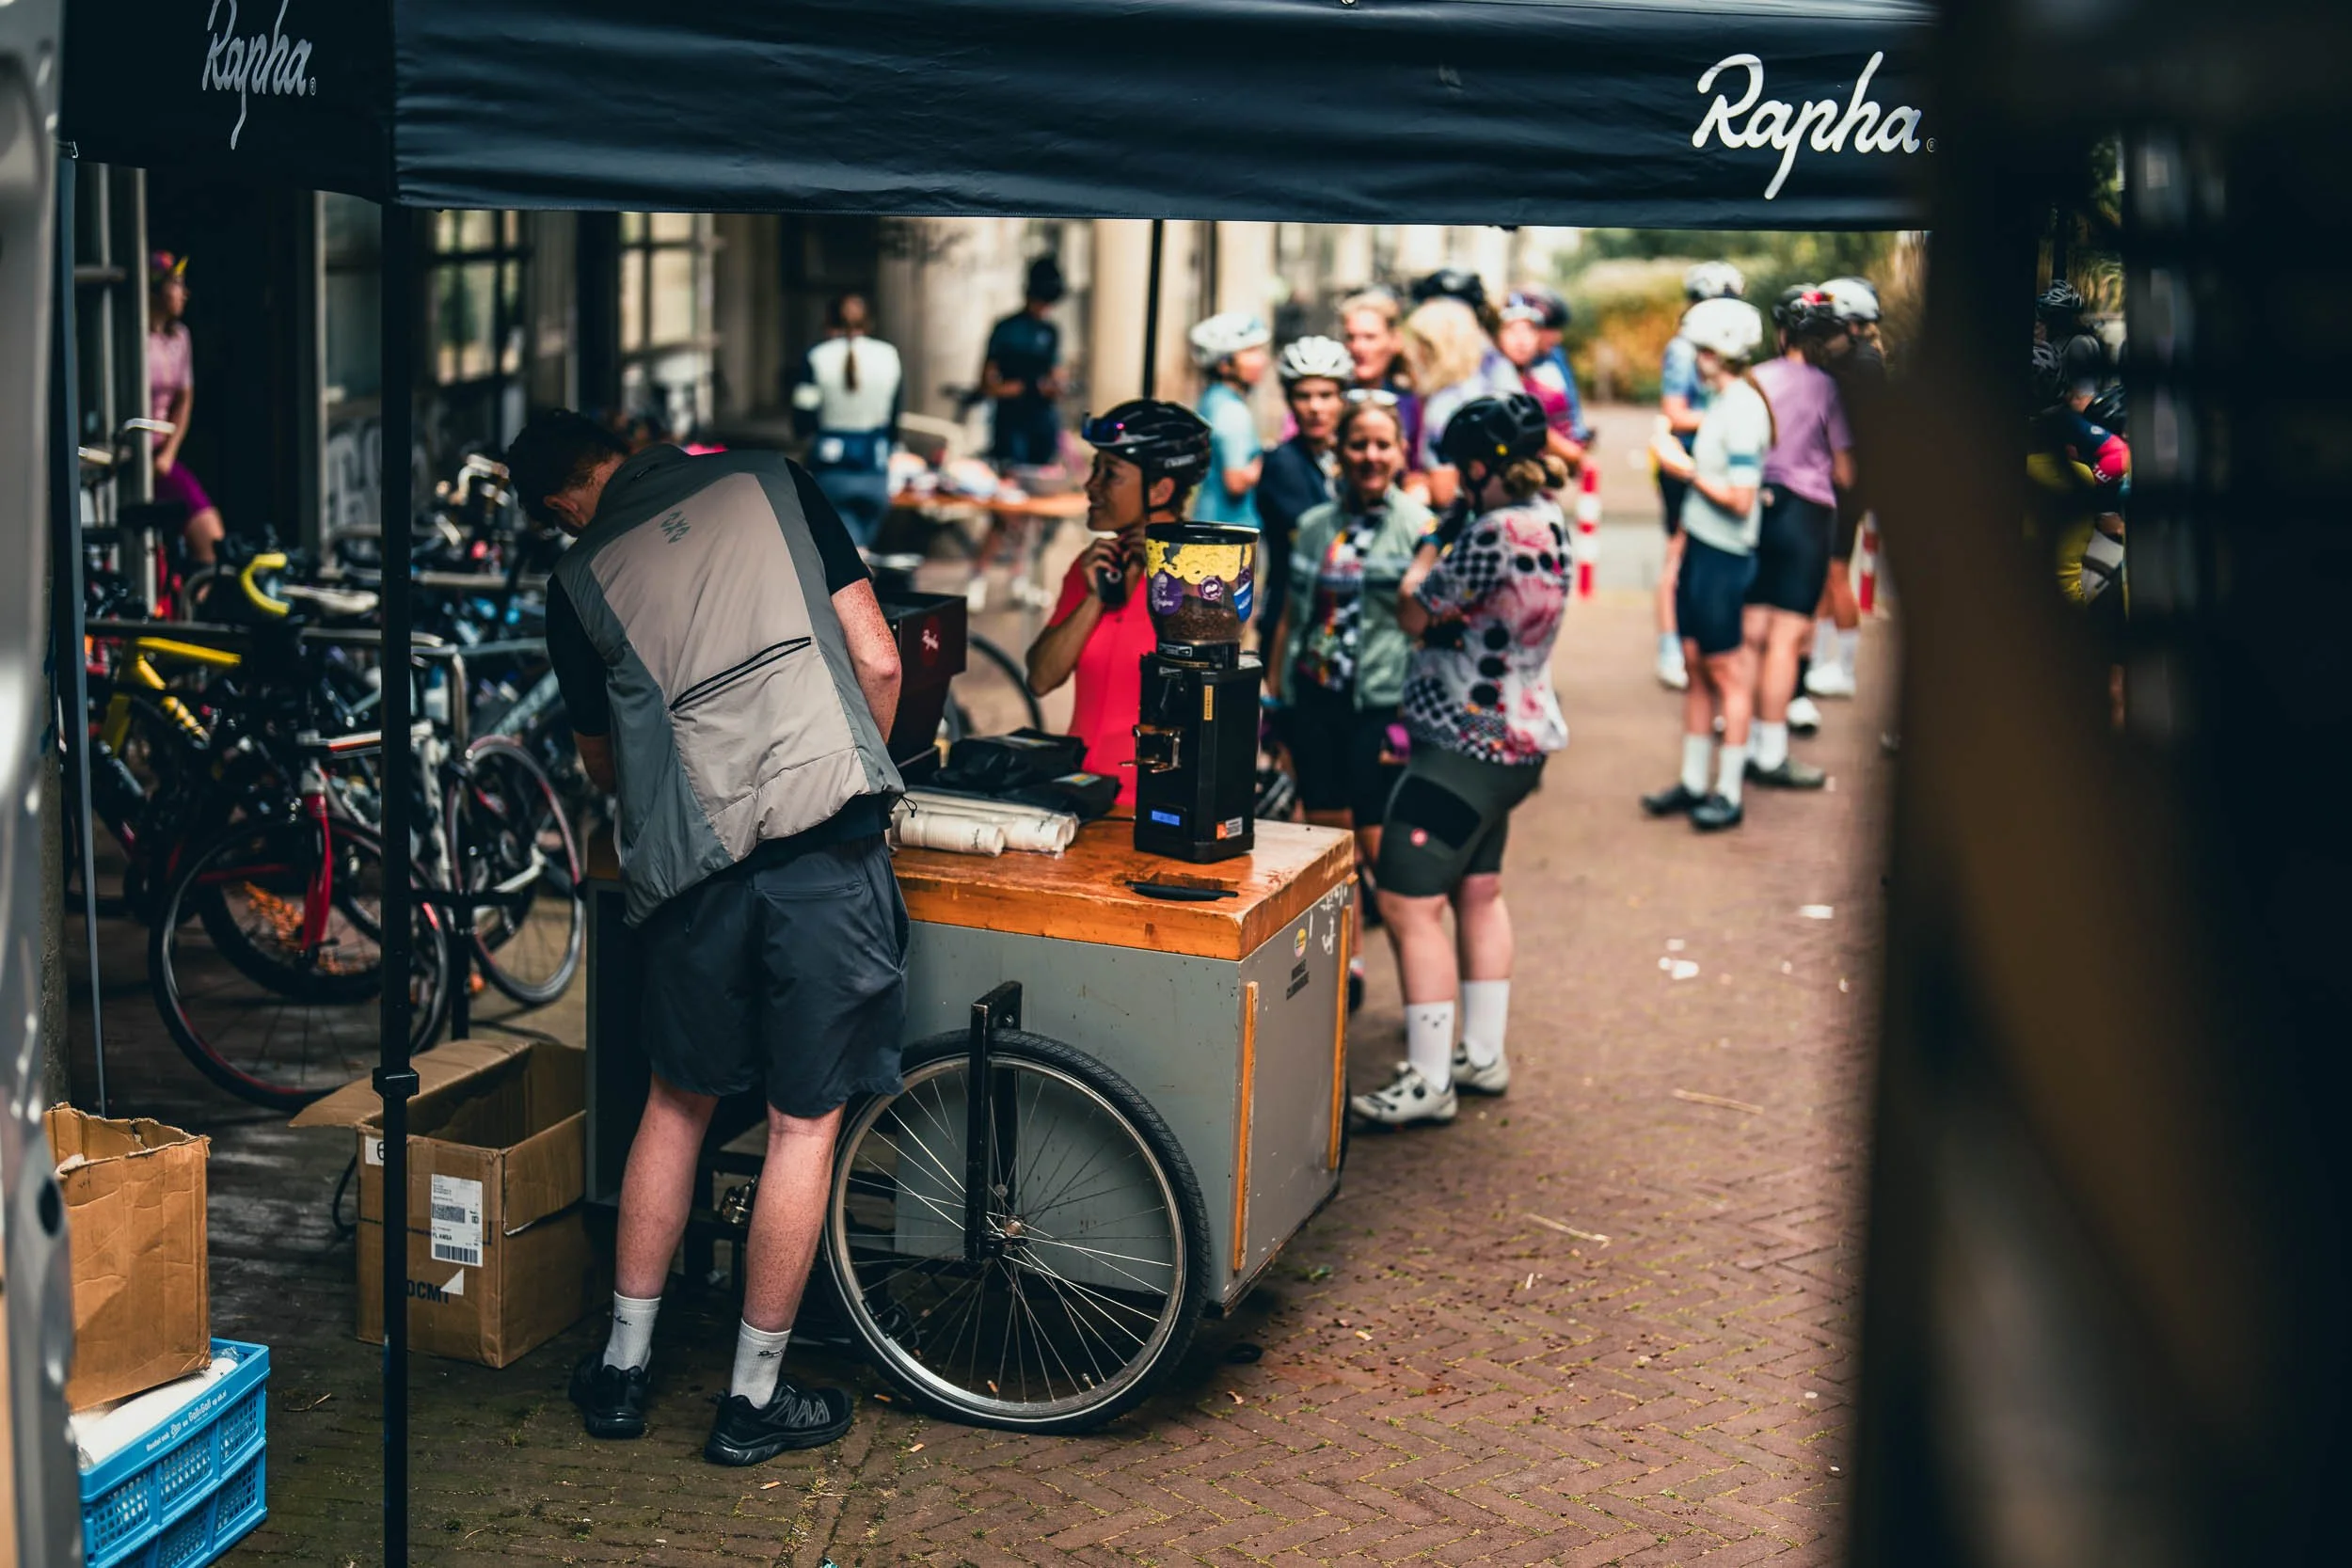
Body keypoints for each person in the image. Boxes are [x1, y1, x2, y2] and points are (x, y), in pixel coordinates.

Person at [509, 410, 908, 1465]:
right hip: (825, 848)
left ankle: (622, 1373)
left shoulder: (578, 577)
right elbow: (876, 657)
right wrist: (852, 769)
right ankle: (750, 1399)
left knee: (676, 1104)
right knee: (802, 1123)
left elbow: (606, 766)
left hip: (690, 875)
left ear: (562, 504)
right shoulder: (770, 482)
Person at [1354, 394, 1572, 1128]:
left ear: (1481, 467)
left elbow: (1413, 611)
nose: (1451, 480)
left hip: (1461, 749)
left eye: (1458, 468)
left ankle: (1428, 1075)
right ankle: (1481, 1052)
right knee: (1479, 888)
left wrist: (1428, 550)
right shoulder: (1551, 523)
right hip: (1517, 741)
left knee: (1408, 901)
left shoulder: (1485, 534)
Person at [1269, 398, 1433, 1004]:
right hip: (1316, 703)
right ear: (1339, 451)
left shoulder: (1421, 526)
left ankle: (1421, 972)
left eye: (1381, 444)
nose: (1369, 456)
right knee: (1331, 843)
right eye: (1358, 444)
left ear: (1400, 452)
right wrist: (1280, 701)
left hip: (1382, 708)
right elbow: (1290, 615)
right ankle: (1351, 967)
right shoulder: (1313, 524)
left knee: (1380, 845)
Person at [1025, 401, 1213, 804]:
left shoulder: (1202, 575)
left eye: (1110, 475)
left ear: (1161, 489)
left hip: (1162, 805)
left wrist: (1165, 578)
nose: (1091, 485)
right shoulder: (1093, 567)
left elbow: (1210, 699)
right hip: (1080, 799)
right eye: (1095, 469)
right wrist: (1094, 598)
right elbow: (1041, 679)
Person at [1641, 296, 1773, 833]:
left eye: (1701, 348)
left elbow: (1741, 498)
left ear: (1721, 350)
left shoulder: (1742, 408)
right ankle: (1696, 782)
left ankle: (1728, 791)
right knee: (1697, 665)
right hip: (1702, 550)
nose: (1695, 357)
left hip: (1724, 555)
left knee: (1726, 672)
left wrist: (1685, 468)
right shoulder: (1726, 400)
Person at [1741, 288, 1853, 790]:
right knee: (1786, 641)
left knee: (1750, 636)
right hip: (1806, 517)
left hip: (1757, 511)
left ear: (1782, 331)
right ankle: (1770, 754)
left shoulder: (1754, 380)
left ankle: (1736, 745)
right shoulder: (1829, 389)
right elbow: (1847, 471)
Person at [1654, 261, 1748, 690]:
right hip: (1685, 465)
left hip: (1711, 464)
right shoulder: (1685, 347)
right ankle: (1670, 648)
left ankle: (1691, 645)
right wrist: (1726, 416)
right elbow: (1674, 412)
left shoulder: (1723, 345)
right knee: (1678, 555)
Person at [1805, 274, 1886, 706]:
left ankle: (1847, 669)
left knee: (1837, 573)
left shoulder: (1864, 365)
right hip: (1838, 483)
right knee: (1824, 573)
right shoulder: (1853, 361)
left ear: (1851, 325)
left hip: (1848, 486)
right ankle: (1820, 661)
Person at [1253, 337, 1352, 634]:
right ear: (1289, 400)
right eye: (1303, 396)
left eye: (1326, 395)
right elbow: (1322, 536)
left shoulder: (1348, 458)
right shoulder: (1283, 463)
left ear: (1342, 398)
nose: (1315, 407)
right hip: (1291, 616)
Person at [789, 293, 901, 549]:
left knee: (841, 548)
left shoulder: (816, 356)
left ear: (830, 321)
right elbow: (895, 415)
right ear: (870, 322)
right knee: (863, 546)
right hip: (875, 465)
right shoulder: (889, 355)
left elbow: (803, 415)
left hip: (832, 468)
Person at [145, 251, 226, 567]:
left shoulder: (180, 337)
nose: (185, 293)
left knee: (209, 537)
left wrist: (168, 454)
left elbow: (184, 399)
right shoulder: (132, 337)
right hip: (133, 457)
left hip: (162, 459)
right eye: (177, 283)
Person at [1400, 297, 1518, 511]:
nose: (1412, 353)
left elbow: (1445, 493)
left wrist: (1417, 483)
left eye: (1421, 344)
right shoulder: (1486, 384)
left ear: (1438, 348)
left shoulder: (1445, 406)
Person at [981, 255, 1067, 467]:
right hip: (1011, 423)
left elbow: (1056, 374)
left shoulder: (1050, 331)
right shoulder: (1006, 329)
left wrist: (1054, 386)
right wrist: (1026, 388)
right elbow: (987, 385)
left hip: (1043, 423)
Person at [1189, 312, 1272, 526]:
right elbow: (1236, 481)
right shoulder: (1231, 410)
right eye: (1251, 351)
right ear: (1225, 364)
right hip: (1229, 531)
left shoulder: (1213, 398)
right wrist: (1268, 458)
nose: (1262, 359)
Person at [1497, 290, 1588, 468]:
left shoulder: (1549, 389)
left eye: (1529, 330)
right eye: (1511, 330)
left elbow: (1572, 451)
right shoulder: (1481, 382)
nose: (1521, 340)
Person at [1512, 283, 1593, 449]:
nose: (1557, 337)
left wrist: (1577, 437)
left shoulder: (1555, 356)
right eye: (1550, 328)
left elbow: (1571, 404)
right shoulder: (1501, 364)